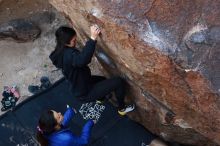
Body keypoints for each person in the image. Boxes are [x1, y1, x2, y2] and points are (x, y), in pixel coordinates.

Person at [49, 25, 135, 115]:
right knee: (118, 82)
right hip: (85, 92)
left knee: (102, 80)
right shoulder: (70, 55)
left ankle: (100, 99)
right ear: (66, 43)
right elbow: (83, 60)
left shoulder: (59, 52)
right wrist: (93, 38)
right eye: (73, 41)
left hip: (81, 84)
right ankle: (122, 108)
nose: (75, 42)